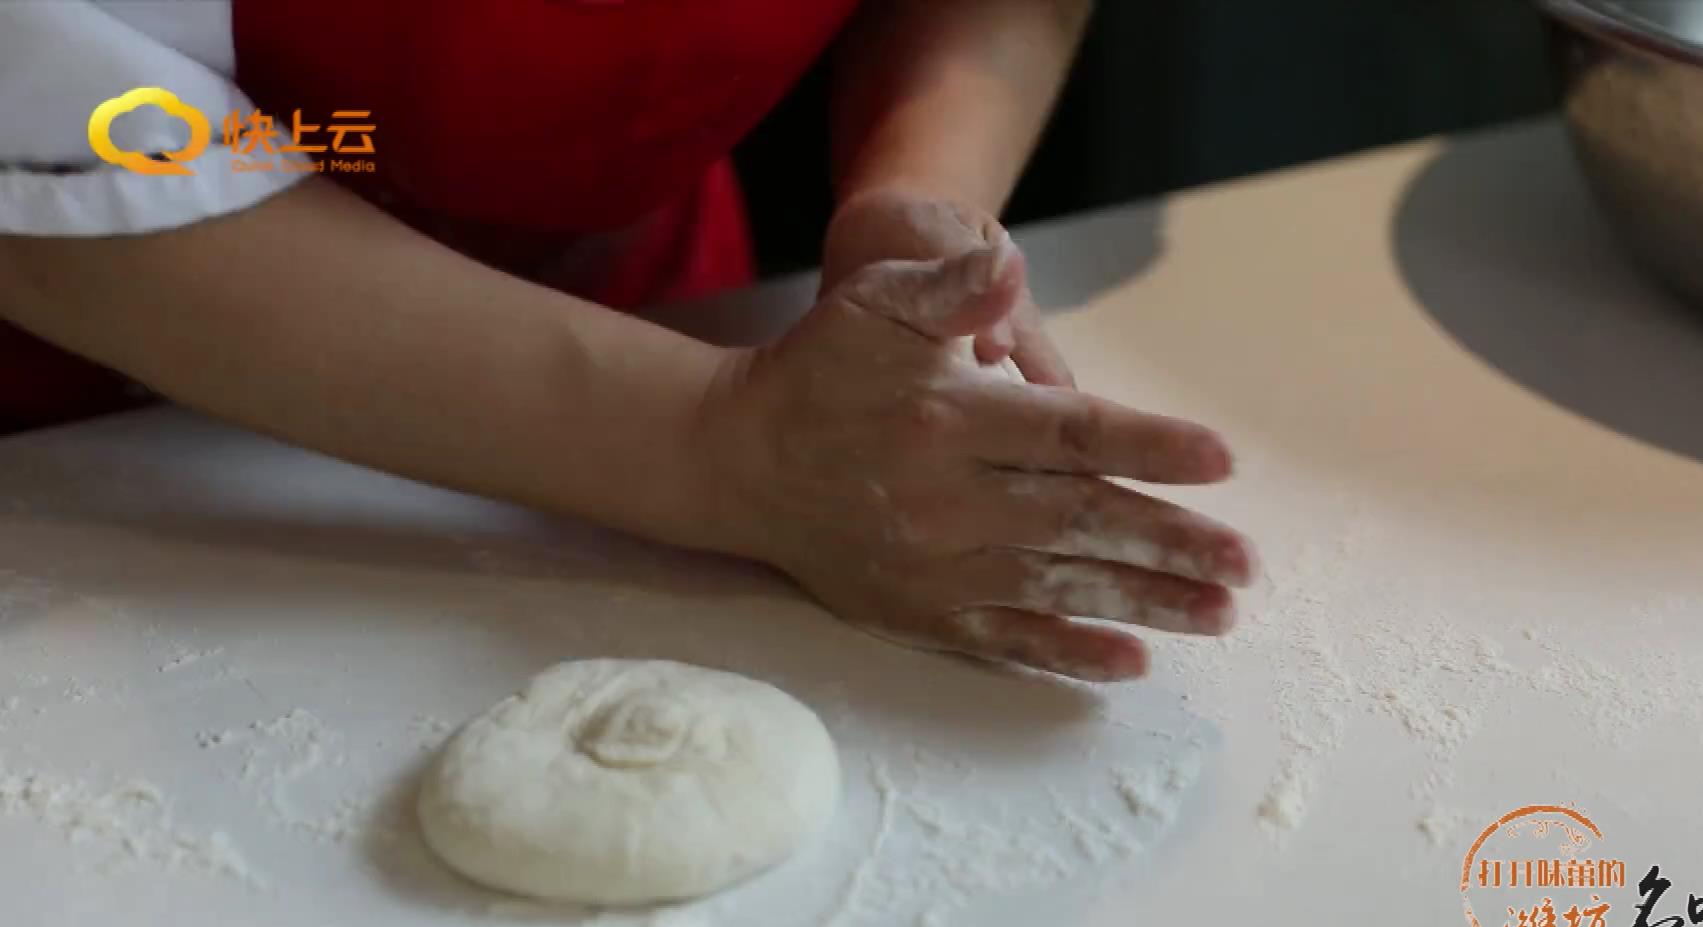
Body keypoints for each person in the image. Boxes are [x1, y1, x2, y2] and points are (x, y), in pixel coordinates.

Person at [0, 0, 1258, 681]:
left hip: (659, 305)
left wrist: (917, 195)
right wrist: (718, 444)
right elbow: (80, 134)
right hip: (102, 411)